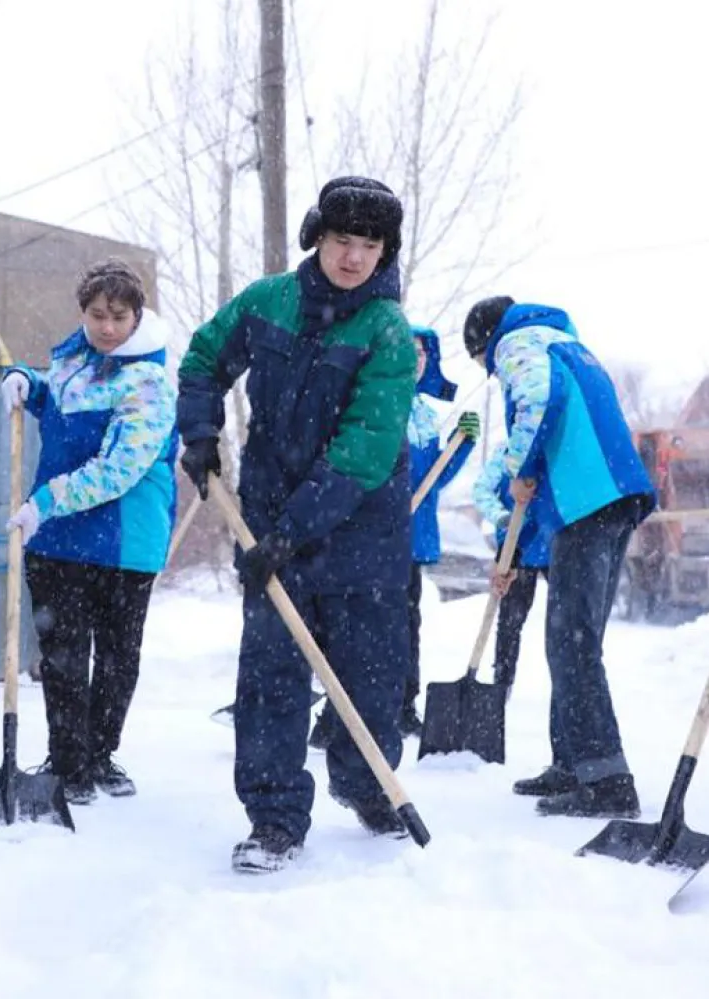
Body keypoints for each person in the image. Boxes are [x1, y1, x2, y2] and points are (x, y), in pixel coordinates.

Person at [177, 176, 417, 873]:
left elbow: (367, 447)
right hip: (272, 513)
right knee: (271, 671)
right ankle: (275, 816)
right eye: (343, 240)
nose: (353, 257)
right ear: (318, 236)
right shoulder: (268, 302)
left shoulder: (387, 331)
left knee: (369, 676)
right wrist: (200, 432)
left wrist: (298, 526)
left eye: (369, 245)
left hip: (360, 526)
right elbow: (202, 359)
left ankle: (367, 781)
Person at [462, 295, 656, 819]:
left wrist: (519, 463)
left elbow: (535, 399)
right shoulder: (568, 346)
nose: (494, 374)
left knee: (571, 642)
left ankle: (607, 780)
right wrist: (517, 554)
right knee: (575, 638)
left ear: (486, 343)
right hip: (612, 495)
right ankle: (572, 763)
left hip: (588, 499)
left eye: (486, 366)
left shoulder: (518, 343)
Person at [1, 259, 178, 806]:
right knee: (63, 655)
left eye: (118, 316)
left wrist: (46, 501)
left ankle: (100, 754)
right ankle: (69, 761)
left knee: (117, 657)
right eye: (96, 315)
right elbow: (54, 397)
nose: (106, 326)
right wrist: (26, 382)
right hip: (57, 540)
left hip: (124, 541)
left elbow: (118, 468)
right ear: (82, 313)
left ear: (136, 317)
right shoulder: (71, 367)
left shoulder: (149, 383)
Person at [307, 325, 478, 747]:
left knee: (405, 625)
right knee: (357, 626)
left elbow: (432, 480)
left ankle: (403, 706)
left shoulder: (422, 415)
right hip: (373, 534)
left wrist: (462, 445)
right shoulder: (377, 401)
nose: (417, 358)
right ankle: (337, 713)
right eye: (409, 350)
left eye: (423, 353)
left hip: (413, 537)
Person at [470, 450, 550, 699]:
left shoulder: (551, 449)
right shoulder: (507, 454)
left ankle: (570, 686)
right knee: (510, 622)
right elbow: (482, 490)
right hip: (516, 547)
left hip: (552, 545)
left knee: (566, 622)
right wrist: (501, 516)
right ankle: (502, 685)